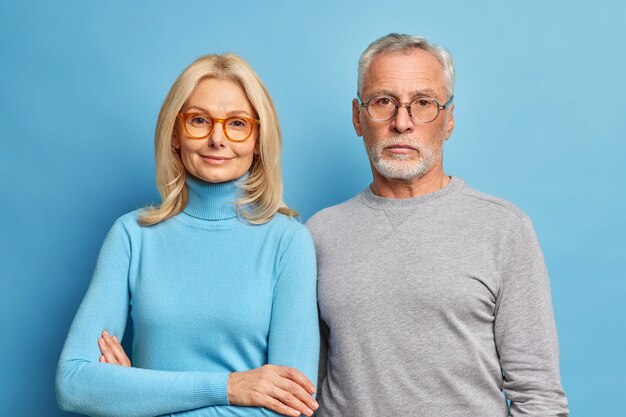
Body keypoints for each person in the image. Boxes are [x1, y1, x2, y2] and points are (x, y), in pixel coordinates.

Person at [306, 33, 569, 417]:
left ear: (448, 120)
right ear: (357, 117)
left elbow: (539, 395)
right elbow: (304, 387)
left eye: (423, 103)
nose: (401, 123)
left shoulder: (503, 228)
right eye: (383, 102)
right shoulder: (319, 234)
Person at [56, 53, 319, 417]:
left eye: (238, 123)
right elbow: (74, 385)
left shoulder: (289, 242)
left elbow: (291, 406)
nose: (216, 139)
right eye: (198, 120)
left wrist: (137, 396)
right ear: (175, 134)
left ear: (258, 139)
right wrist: (230, 387)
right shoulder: (133, 236)